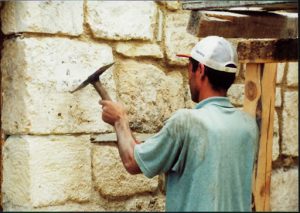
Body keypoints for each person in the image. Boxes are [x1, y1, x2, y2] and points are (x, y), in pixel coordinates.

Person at [99, 36, 259, 211]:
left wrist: (119, 119)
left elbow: (132, 161)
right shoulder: (248, 126)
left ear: (201, 70)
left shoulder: (186, 122)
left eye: (189, 68)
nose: (188, 75)